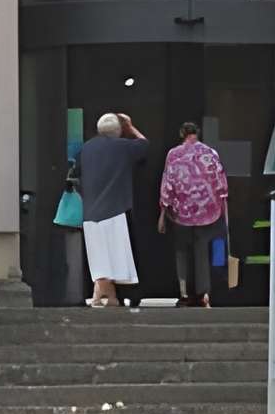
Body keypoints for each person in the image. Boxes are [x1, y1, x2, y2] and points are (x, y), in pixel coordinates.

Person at [76, 111, 150, 308]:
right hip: (116, 209)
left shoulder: (87, 148)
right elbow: (144, 144)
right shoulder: (123, 146)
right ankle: (108, 296)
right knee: (116, 258)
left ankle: (103, 295)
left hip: (90, 211)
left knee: (99, 258)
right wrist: (131, 127)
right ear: (119, 131)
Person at [156, 122, 229, 307]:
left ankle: (185, 294)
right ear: (198, 133)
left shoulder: (174, 154)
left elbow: (168, 184)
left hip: (182, 212)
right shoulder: (211, 153)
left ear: (182, 134)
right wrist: (224, 211)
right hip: (209, 211)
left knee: (182, 253)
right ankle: (204, 293)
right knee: (203, 251)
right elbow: (221, 185)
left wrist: (163, 212)